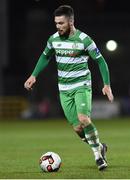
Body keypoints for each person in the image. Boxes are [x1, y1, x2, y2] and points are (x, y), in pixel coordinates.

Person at [24, 5, 114, 170]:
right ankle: (100, 146)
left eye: (61, 23)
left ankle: (98, 157)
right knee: (78, 128)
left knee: (84, 119)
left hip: (81, 85)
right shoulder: (53, 40)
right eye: (56, 23)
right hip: (64, 89)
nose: (58, 27)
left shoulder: (84, 40)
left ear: (71, 22)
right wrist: (33, 75)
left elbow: (100, 61)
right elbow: (45, 56)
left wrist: (106, 84)